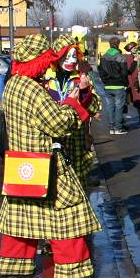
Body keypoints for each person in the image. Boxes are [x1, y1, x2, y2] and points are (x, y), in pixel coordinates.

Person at [0, 34, 100, 278]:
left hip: (22, 163)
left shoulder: (12, 84)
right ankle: (72, 269)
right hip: (46, 161)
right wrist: (73, 103)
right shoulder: (33, 90)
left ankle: (14, 264)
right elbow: (58, 123)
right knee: (67, 213)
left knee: (21, 213)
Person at [43, 34, 101, 187]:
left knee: (77, 182)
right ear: (57, 57)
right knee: (54, 182)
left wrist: (85, 92)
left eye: (74, 56)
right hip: (53, 139)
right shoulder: (45, 80)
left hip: (76, 139)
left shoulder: (80, 79)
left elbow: (96, 108)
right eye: (66, 56)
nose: (71, 60)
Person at [97, 37, 128, 135]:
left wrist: (105, 80)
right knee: (119, 107)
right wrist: (124, 83)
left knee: (110, 107)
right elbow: (124, 73)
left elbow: (100, 71)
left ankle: (111, 127)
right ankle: (118, 128)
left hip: (107, 86)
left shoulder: (103, 57)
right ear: (118, 44)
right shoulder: (121, 57)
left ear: (109, 44)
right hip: (119, 85)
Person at [123, 41, 140, 124]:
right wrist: (135, 61)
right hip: (132, 81)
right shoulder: (129, 57)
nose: (135, 49)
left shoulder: (127, 56)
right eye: (134, 48)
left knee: (132, 99)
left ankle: (139, 115)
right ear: (130, 48)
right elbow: (130, 71)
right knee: (134, 99)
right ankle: (139, 116)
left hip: (130, 81)